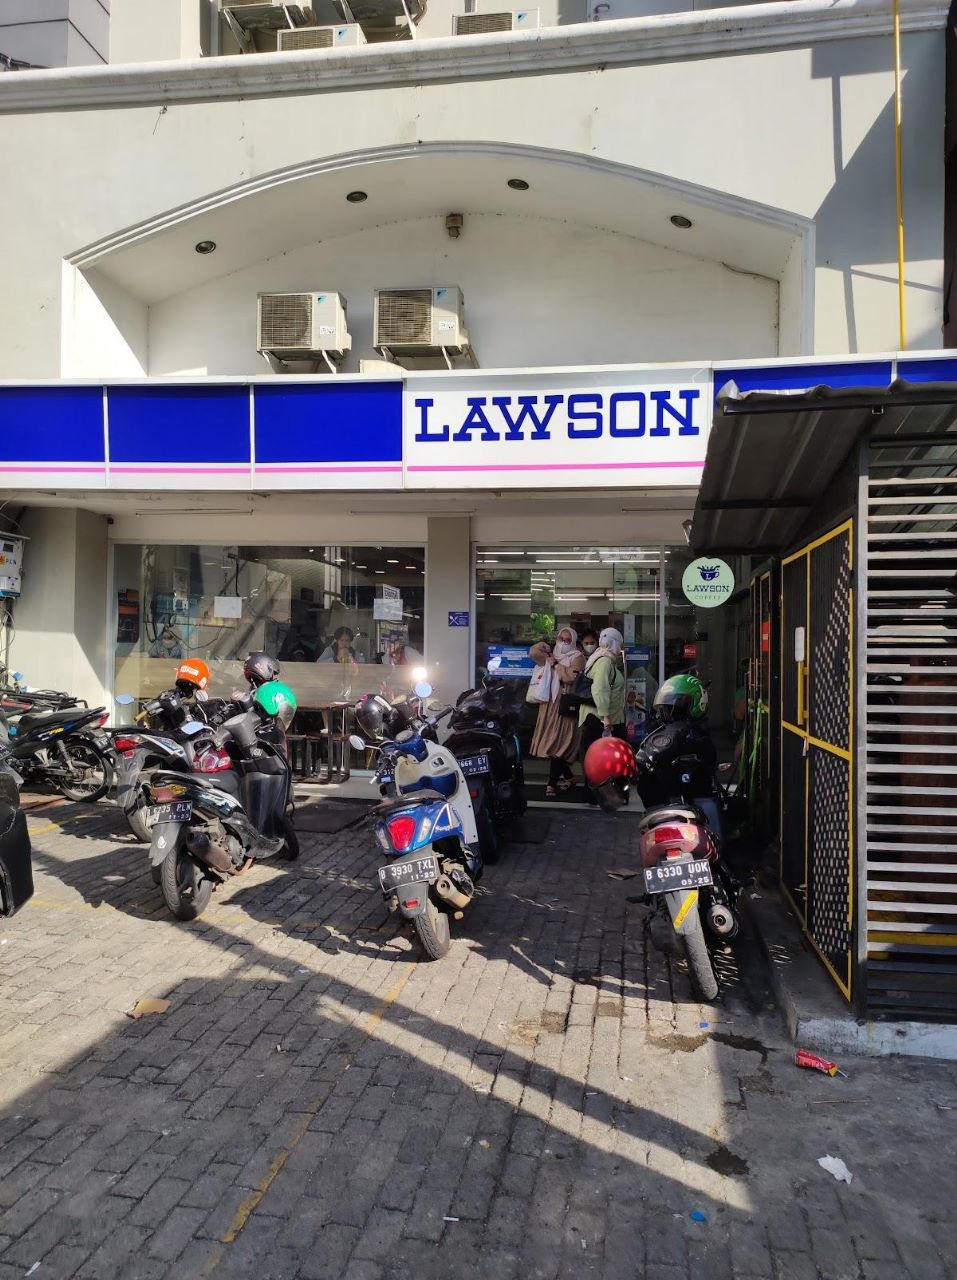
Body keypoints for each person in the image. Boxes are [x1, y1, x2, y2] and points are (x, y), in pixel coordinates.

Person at [529, 626, 584, 799]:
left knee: (559, 745)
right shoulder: (551, 654)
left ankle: (551, 784)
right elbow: (533, 653)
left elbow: (571, 677)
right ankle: (569, 776)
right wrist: (544, 645)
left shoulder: (577, 657)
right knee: (553, 745)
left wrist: (556, 665)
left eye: (568, 640)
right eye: (561, 639)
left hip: (565, 707)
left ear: (573, 641)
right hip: (549, 706)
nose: (564, 642)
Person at [579, 627, 627, 803]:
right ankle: (602, 795)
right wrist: (605, 716)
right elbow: (600, 689)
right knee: (603, 757)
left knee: (599, 756)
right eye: (620, 643)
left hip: (605, 716)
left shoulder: (602, 658)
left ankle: (603, 795)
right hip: (601, 718)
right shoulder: (605, 661)